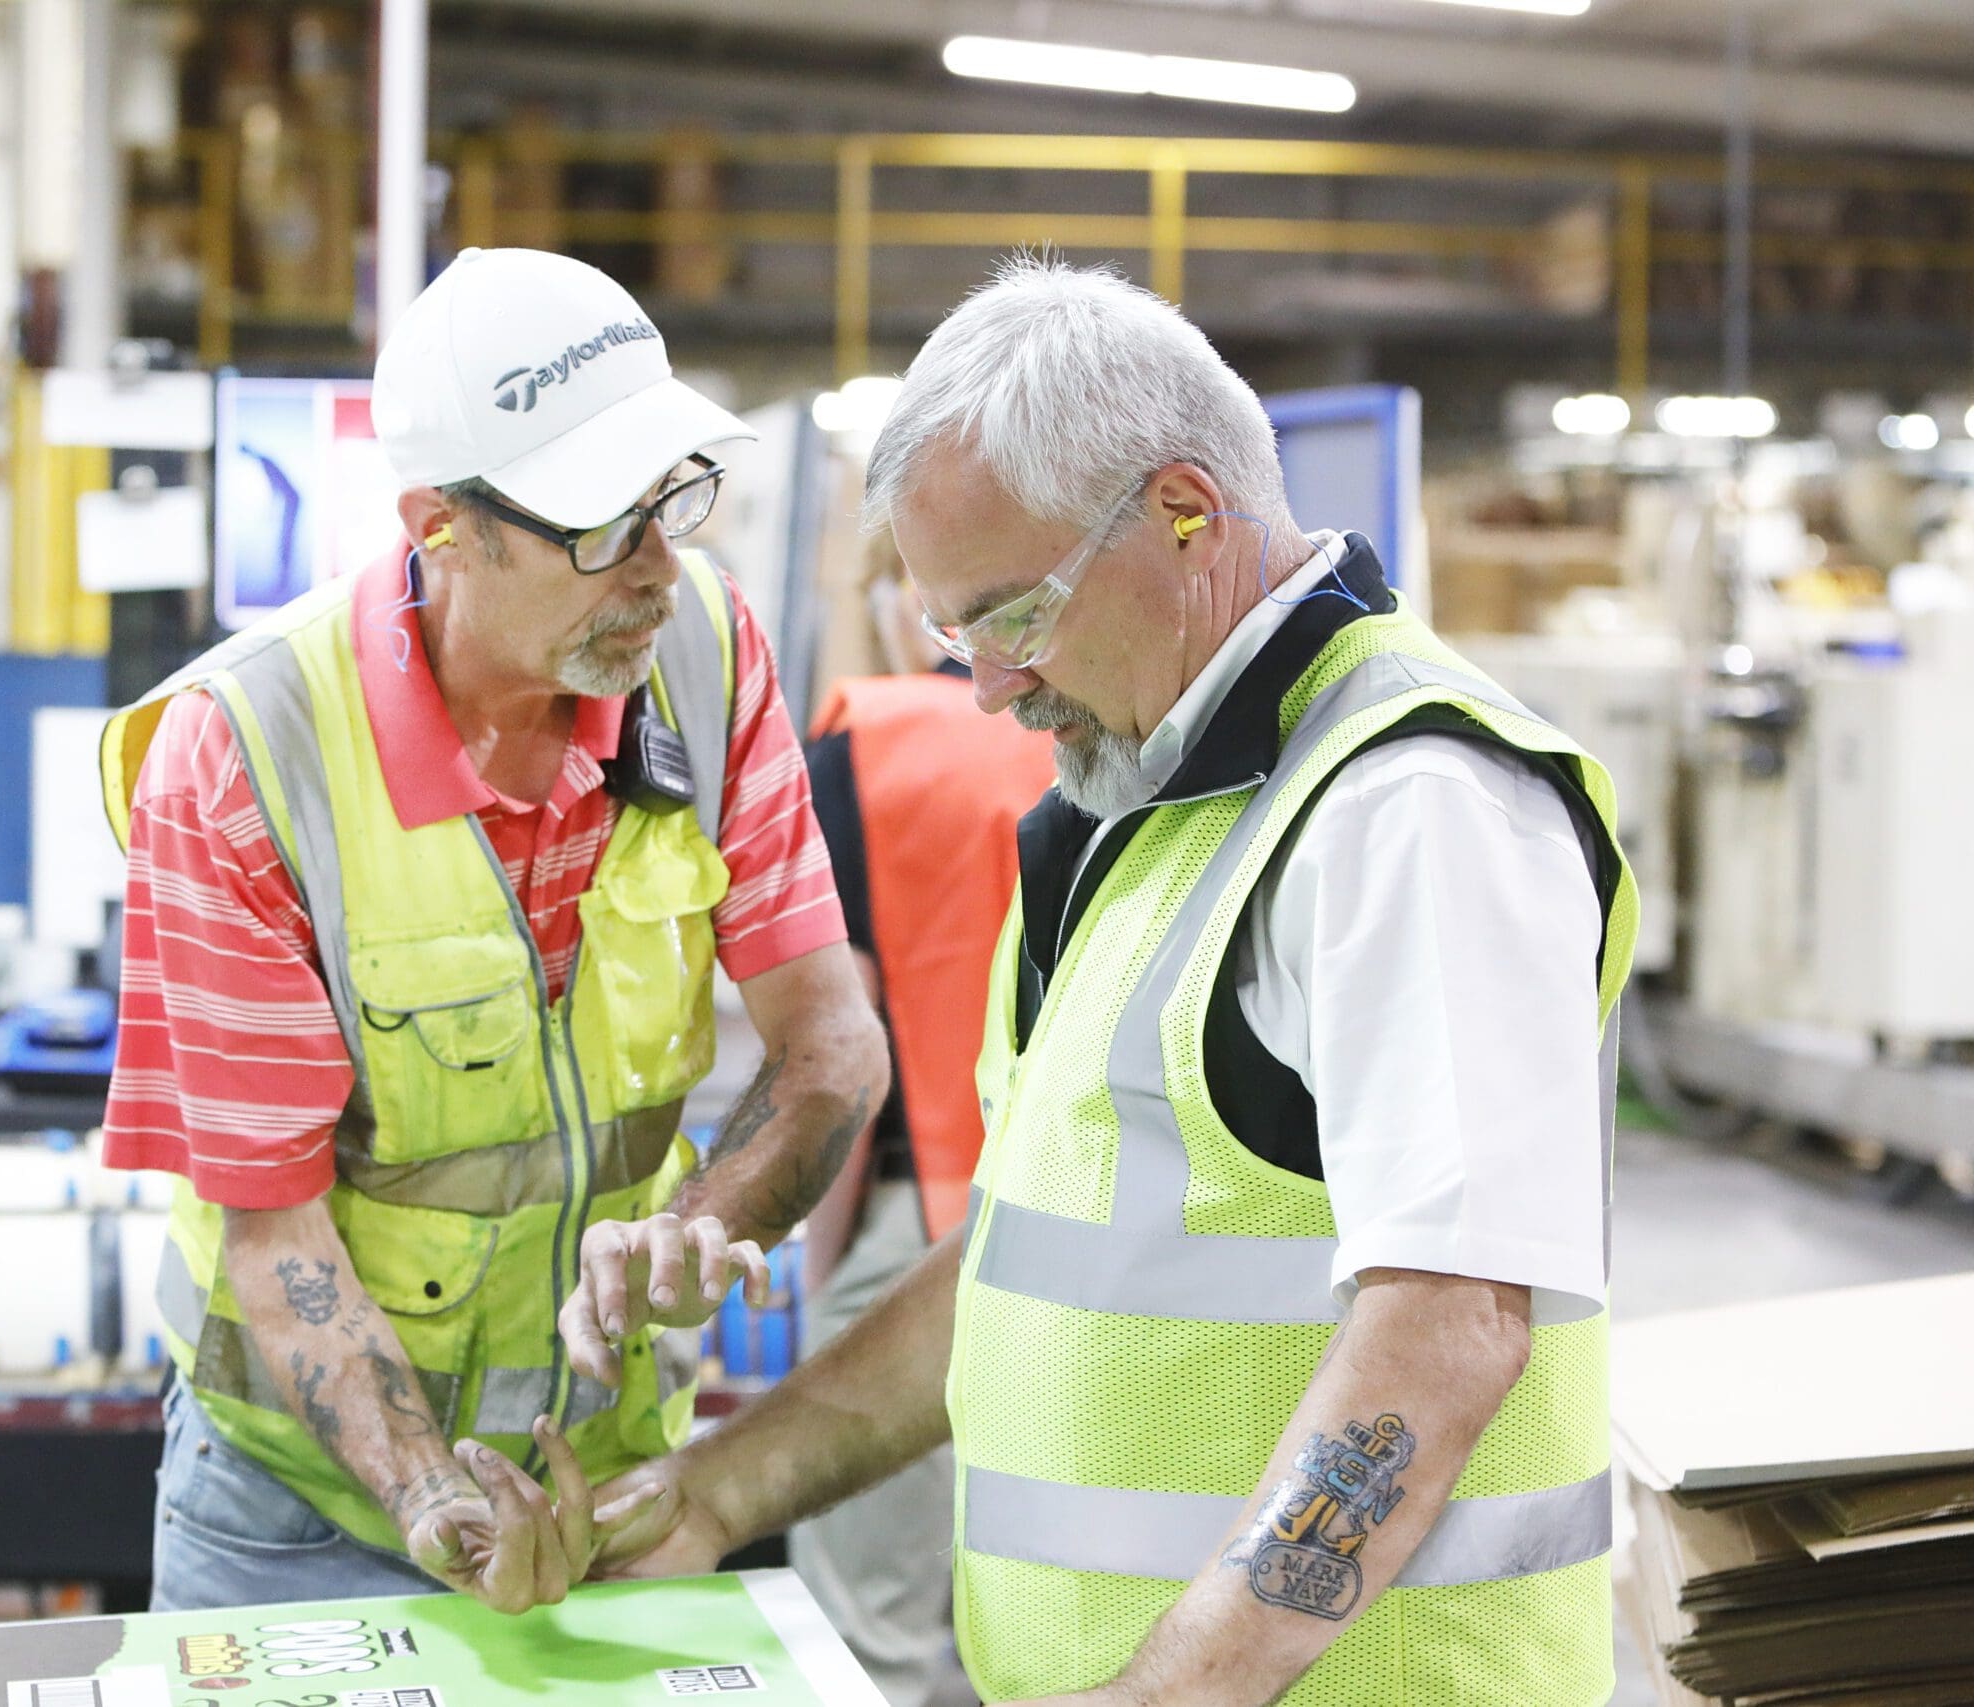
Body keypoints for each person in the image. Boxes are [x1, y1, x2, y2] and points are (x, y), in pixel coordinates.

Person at [589, 256, 1636, 1706]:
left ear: (1187, 511)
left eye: (1013, 616)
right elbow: (1024, 1266)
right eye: (955, 634)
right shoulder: (1142, 809)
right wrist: (717, 1489)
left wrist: (1171, 1692)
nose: (989, 686)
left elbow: (1445, 1325)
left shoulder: (1408, 804)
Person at [98, 246, 888, 1615]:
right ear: (442, 527)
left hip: (614, 1481)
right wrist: (435, 1500)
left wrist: (698, 1225)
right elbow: (276, 1239)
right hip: (296, 1516)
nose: (658, 568)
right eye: (602, 526)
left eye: (670, 499)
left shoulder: (704, 656)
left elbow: (832, 1048)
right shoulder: (246, 758)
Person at [788, 539, 1055, 1706]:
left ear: (914, 603)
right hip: (1095, 1237)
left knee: (867, 1639)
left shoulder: (867, 747)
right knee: (1065, 1636)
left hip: (911, 1224)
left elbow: (837, 1048)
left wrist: (824, 1259)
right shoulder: (1119, 741)